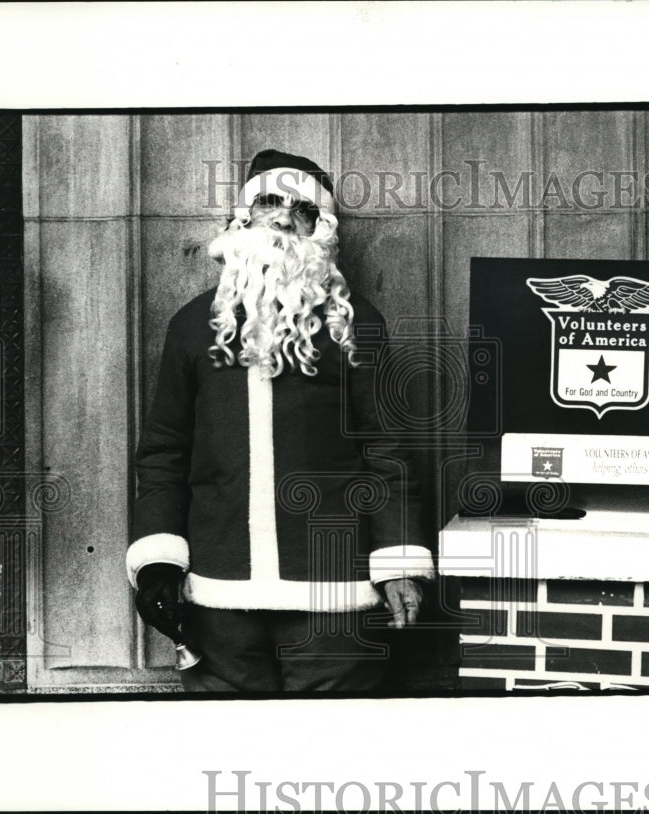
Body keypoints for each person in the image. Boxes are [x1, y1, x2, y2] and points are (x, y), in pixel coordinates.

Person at [125, 149, 435, 692]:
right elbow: (164, 451)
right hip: (220, 591)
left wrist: (400, 562)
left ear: (322, 230)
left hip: (332, 589)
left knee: (330, 747)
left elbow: (388, 453)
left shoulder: (357, 324)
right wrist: (157, 560)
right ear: (243, 218)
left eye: (304, 210)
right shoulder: (193, 324)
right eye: (270, 202)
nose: (285, 218)